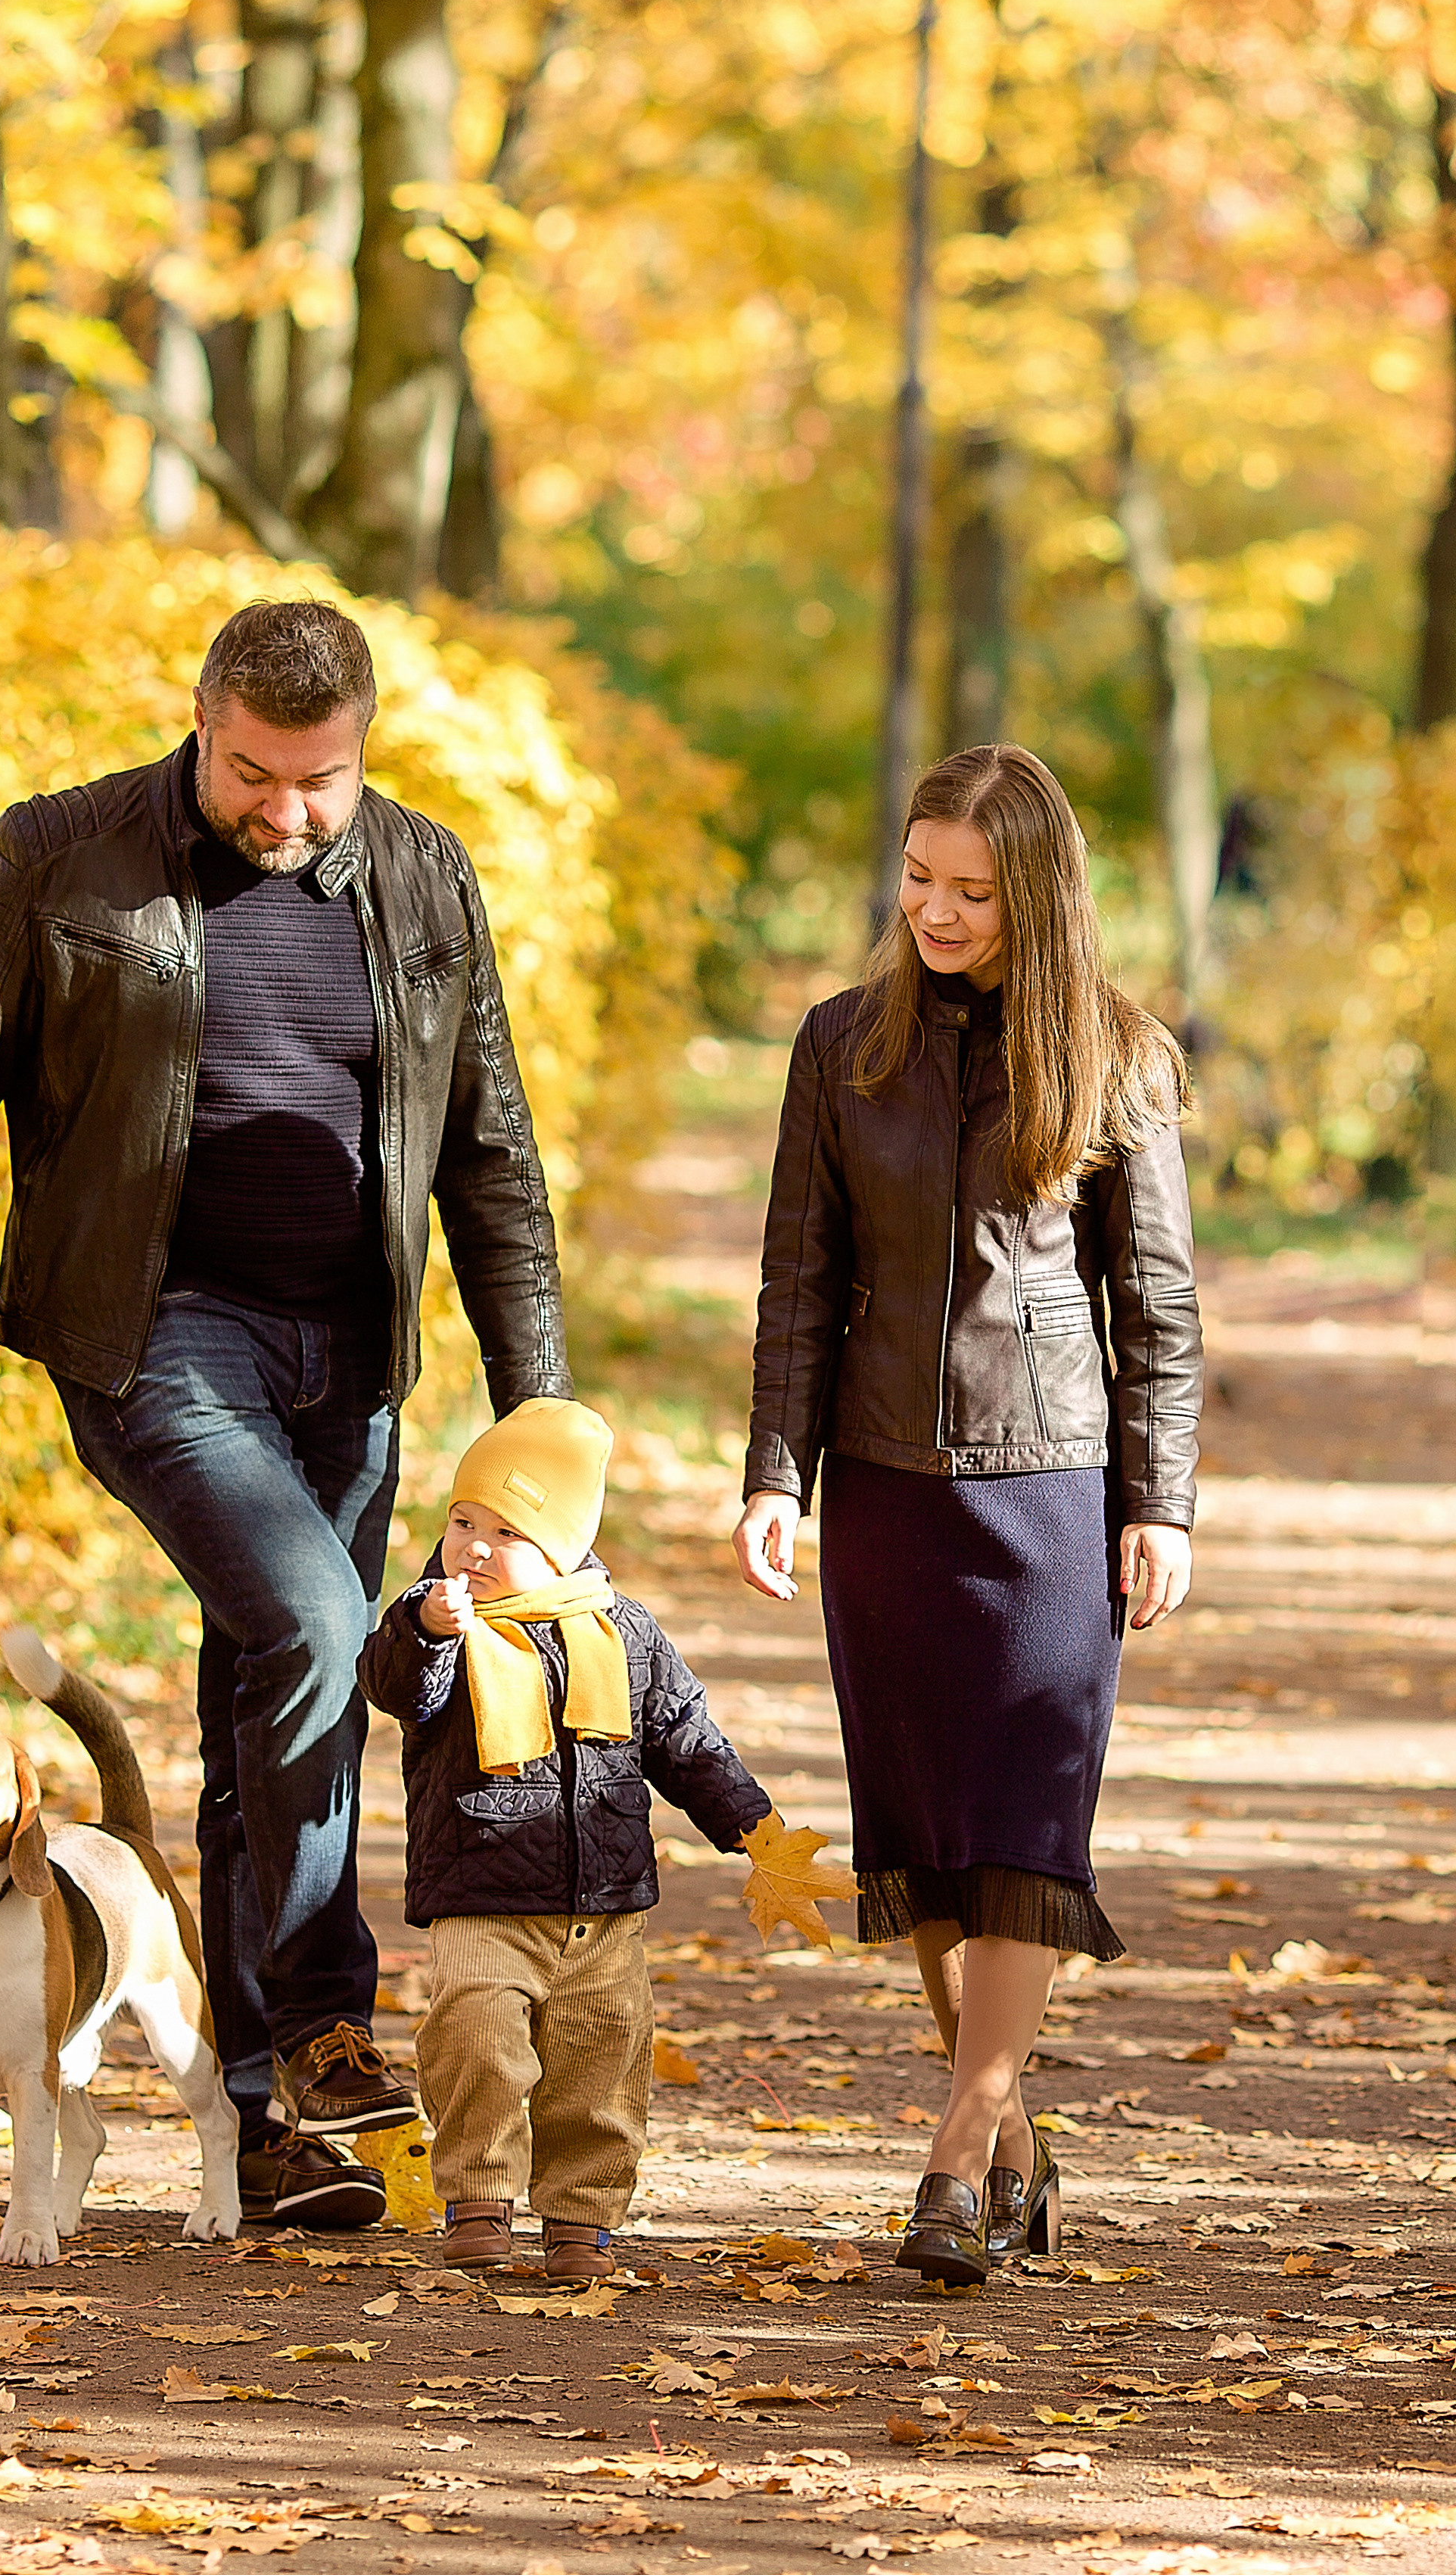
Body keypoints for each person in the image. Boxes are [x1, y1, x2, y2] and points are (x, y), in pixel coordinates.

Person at [0, 597, 574, 2230]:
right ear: (201, 723)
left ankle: (265, 2130)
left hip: (349, 1354)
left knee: (273, 1686)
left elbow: (490, 1151)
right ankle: (328, 2015)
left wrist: (538, 1407)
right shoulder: (61, 854)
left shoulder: (422, 874)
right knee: (322, 1623)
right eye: (252, 774)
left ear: (362, 751)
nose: (284, 812)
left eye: (317, 780)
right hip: (146, 1334)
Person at [733, 743, 1202, 2290]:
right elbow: (797, 1281)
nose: (933, 911)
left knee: (1021, 1830)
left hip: (1050, 1489)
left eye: (970, 891)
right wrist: (772, 1475)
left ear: (1035, 897)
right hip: (880, 1491)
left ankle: (957, 2138)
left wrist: (1162, 1504)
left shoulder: (1117, 1060)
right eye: (918, 881)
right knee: (929, 1851)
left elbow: (1154, 1306)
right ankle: (1010, 2149)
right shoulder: (837, 1048)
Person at [360, 1399, 773, 2280]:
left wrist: (753, 1828)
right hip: (482, 1895)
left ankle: (580, 2217)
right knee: (477, 2040)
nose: (471, 1546)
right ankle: (478, 2196)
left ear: (562, 1548)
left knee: (601, 2061)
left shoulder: (623, 1633)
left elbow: (684, 1740)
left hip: (604, 1907)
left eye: (504, 1530)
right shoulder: (441, 1625)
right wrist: (426, 1631)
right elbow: (397, 1687)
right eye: (461, 1521)